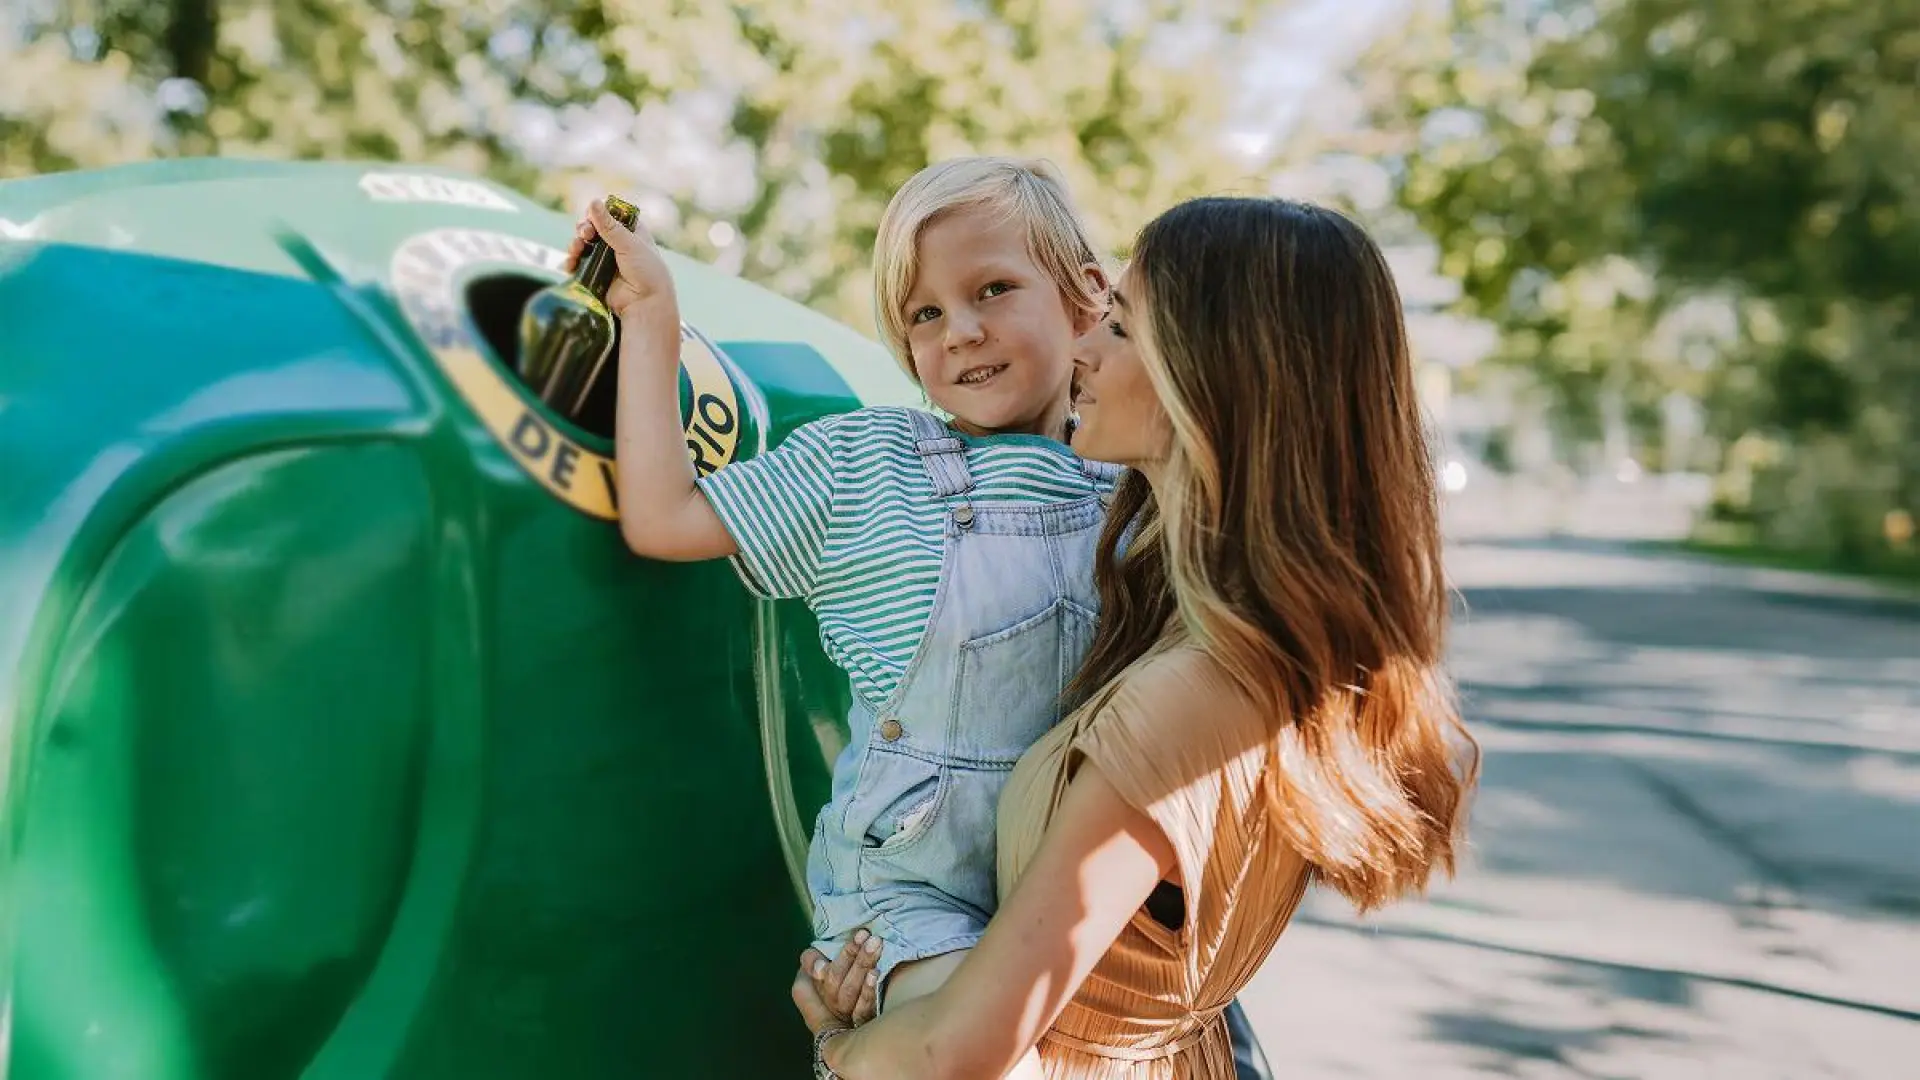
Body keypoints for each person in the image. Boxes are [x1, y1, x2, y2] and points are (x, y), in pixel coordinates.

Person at [790, 195, 1481, 1078]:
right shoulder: (1235, 640)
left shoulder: (1189, 696)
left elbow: (956, 1051)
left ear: (1214, 378)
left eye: (1118, 326)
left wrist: (839, 1043)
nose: (1082, 347)